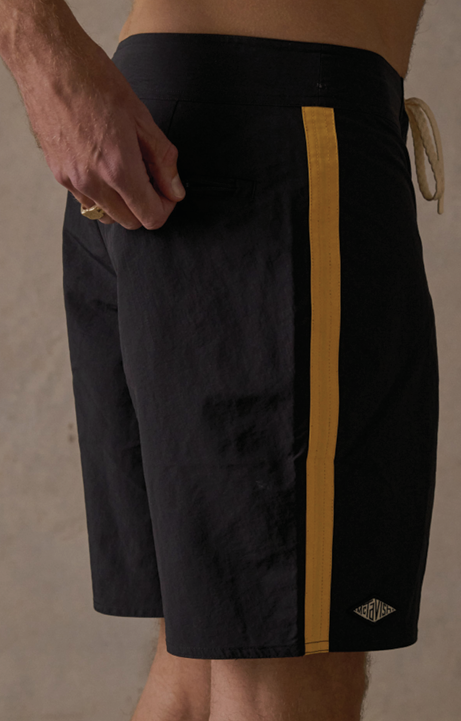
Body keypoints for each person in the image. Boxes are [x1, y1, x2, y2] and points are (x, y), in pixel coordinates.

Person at [0, 0, 444, 719]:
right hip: (276, 149)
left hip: (196, 135)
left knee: (200, 672)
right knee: (288, 673)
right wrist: (40, 55)